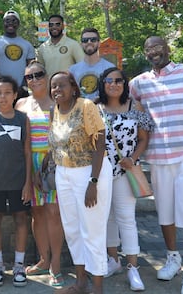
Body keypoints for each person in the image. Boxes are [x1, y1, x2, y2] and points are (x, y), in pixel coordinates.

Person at [129, 36, 183, 294]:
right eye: (148, 49)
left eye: (157, 47)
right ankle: (173, 258)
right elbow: (131, 111)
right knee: (165, 213)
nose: (153, 52)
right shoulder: (138, 84)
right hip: (158, 158)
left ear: (167, 48)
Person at [48, 71, 111, 294]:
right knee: (72, 230)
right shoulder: (54, 110)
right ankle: (81, 283)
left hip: (90, 172)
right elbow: (57, 142)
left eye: (62, 85)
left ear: (73, 88)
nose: (57, 90)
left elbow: (100, 144)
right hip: (63, 173)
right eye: (53, 86)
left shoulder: (86, 106)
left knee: (92, 231)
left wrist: (93, 182)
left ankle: (98, 287)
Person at [97, 67, 155, 292]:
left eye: (118, 81)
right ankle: (113, 260)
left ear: (125, 84)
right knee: (106, 218)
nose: (113, 84)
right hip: (102, 171)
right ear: (102, 83)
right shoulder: (94, 107)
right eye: (109, 80)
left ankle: (133, 267)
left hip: (125, 170)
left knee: (126, 218)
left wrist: (133, 158)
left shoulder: (134, 106)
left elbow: (143, 138)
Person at [15, 61, 66, 287]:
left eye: (39, 74)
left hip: (53, 164)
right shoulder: (21, 104)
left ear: (47, 75)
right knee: (36, 213)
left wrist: (47, 163)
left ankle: (56, 264)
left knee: (54, 212)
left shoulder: (58, 102)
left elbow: (64, 136)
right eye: (29, 77)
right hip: (29, 163)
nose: (34, 79)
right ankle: (44, 259)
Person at [0, 76, 32, 287]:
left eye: (7, 93)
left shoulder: (23, 119)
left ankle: (19, 265)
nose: (3, 97)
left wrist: (28, 182)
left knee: (21, 219)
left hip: (18, 180)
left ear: (15, 95)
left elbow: (27, 152)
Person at [0, 10, 36, 95]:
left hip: (22, 91)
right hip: (1, 91)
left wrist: (23, 86)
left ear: (18, 24)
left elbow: (31, 68)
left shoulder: (27, 45)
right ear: (3, 23)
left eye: (14, 21)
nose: (10, 23)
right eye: (7, 21)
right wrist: (6, 86)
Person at [69, 28, 115, 100]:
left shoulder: (110, 68)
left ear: (99, 43)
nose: (89, 42)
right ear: (81, 44)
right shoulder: (72, 70)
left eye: (93, 40)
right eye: (85, 40)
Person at [36, 14, 84, 79]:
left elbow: (82, 67)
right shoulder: (43, 47)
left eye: (57, 24)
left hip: (68, 85)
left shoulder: (73, 44)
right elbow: (40, 70)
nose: (54, 27)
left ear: (63, 26)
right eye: (51, 25)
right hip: (49, 85)